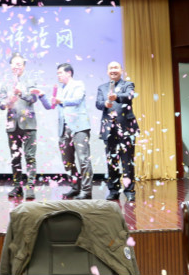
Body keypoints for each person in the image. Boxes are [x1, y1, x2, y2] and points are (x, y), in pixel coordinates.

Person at [35, 63, 93, 200]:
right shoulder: (60, 89)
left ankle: (86, 190)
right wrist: (42, 95)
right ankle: (75, 186)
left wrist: (60, 100)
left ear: (69, 73)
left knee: (83, 160)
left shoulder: (78, 84)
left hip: (79, 127)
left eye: (60, 73)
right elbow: (51, 106)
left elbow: (77, 100)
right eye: (57, 73)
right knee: (67, 161)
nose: (58, 76)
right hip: (64, 129)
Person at [95, 61, 138, 201]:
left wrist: (116, 97)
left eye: (116, 68)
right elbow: (98, 104)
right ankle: (113, 190)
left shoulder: (128, 85)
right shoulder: (102, 88)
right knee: (111, 161)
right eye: (111, 68)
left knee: (127, 161)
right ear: (107, 71)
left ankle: (129, 190)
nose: (113, 70)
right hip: (109, 129)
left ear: (121, 70)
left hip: (126, 128)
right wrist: (105, 103)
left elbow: (129, 96)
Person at [0, 54, 39, 199]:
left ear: (24, 66)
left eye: (19, 64)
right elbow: (0, 104)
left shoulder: (30, 80)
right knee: (15, 158)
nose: (16, 66)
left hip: (28, 124)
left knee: (30, 157)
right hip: (12, 125)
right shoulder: (5, 83)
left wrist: (21, 93)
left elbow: (34, 98)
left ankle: (30, 187)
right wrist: (7, 102)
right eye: (14, 64)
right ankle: (17, 187)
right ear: (10, 66)